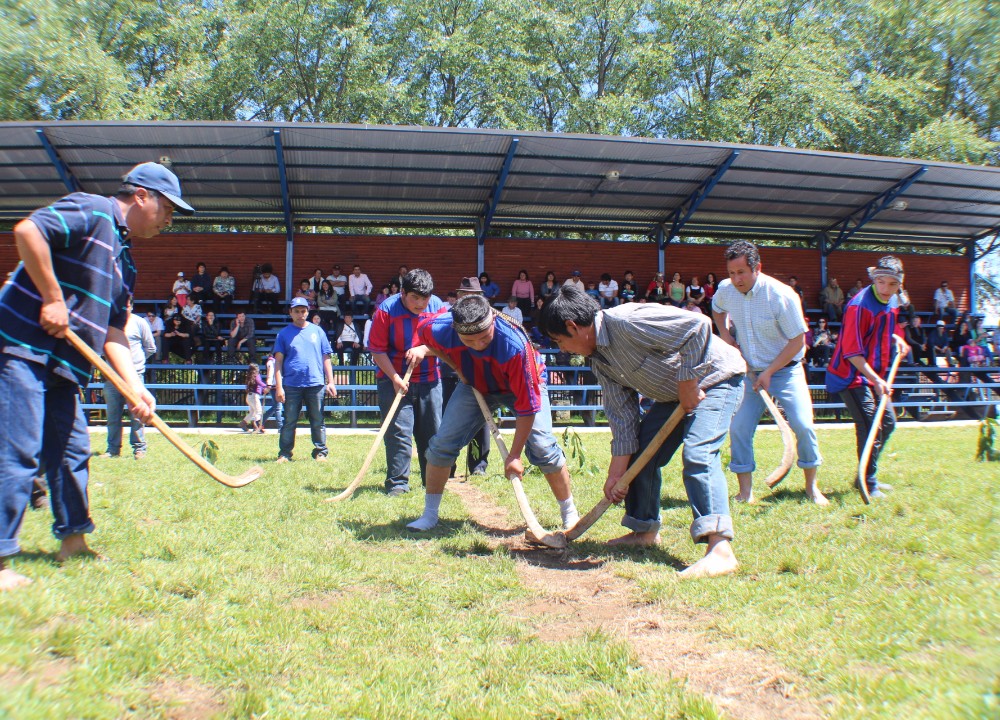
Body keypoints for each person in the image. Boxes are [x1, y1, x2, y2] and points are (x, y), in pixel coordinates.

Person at [0, 160, 191, 591]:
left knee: (70, 452)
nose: (169, 220)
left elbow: (113, 331)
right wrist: (51, 298)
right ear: (141, 195)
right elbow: (28, 231)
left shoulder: (125, 261)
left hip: (65, 366)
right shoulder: (93, 209)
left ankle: (74, 541)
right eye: (168, 209)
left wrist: (135, 388)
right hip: (22, 349)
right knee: (19, 451)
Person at [539, 287, 746, 578]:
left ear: (574, 327)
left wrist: (687, 383)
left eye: (560, 340)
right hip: (672, 395)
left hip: (715, 379)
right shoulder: (599, 360)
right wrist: (616, 474)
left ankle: (720, 549)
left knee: (699, 453)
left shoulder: (628, 320)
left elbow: (698, 326)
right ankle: (643, 530)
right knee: (641, 458)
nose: (562, 349)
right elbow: (623, 419)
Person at [405, 294, 578, 532]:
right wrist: (456, 367)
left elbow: (527, 408)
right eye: (469, 341)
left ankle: (569, 513)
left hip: (523, 385)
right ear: (457, 332)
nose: (478, 345)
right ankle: (430, 515)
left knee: (542, 447)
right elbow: (430, 342)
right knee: (441, 445)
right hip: (475, 385)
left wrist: (514, 456)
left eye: (484, 338)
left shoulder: (515, 346)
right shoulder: (437, 328)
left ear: (492, 323)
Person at [711, 240, 828, 505]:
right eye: (731, 273)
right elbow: (717, 309)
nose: (736, 279)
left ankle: (811, 488)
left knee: (803, 425)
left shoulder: (781, 295)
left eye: (741, 272)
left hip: (786, 371)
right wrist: (726, 334)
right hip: (749, 372)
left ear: (757, 268)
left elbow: (798, 341)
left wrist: (771, 371)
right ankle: (745, 492)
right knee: (739, 428)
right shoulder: (726, 290)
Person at [825, 256, 909, 500]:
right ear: (874, 279)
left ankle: (864, 474)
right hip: (851, 374)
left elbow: (884, 328)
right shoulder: (858, 306)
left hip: (873, 374)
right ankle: (867, 483)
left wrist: (897, 338)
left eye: (892, 284)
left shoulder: (891, 301)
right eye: (880, 282)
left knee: (889, 423)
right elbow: (852, 353)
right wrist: (876, 380)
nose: (885, 289)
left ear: (899, 285)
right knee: (871, 424)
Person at [368, 269, 445, 495]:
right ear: (402, 293)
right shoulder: (386, 310)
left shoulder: (438, 307)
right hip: (393, 379)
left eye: (425, 298)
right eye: (415, 298)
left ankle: (431, 482)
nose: (421, 304)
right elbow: (377, 350)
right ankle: (398, 484)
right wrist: (394, 378)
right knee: (398, 433)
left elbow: (446, 344)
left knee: (432, 433)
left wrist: (424, 349)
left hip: (430, 380)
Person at [274, 297, 337, 462]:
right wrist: (279, 387)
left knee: (317, 420)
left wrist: (330, 381)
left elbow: (326, 358)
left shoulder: (318, 331)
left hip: (315, 383)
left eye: (303, 311)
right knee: (289, 421)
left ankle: (321, 452)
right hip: (291, 384)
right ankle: (285, 453)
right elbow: (278, 362)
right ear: (290, 312)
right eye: (296, 311)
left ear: (308, 312)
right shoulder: (283, 334)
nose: (300, 314)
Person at [102, 298, 157, 460]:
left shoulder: (140, 323)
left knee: (137, 416)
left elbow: (150, 347)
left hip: (135, 377)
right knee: (112, 415)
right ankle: (113, 449)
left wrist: (136, 365)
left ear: (131, 306)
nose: (124, 308)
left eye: (127, 305)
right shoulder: (108, 323)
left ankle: (139, 449)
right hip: (112, 378)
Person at [241, 363, 267, 433]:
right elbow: (259, 382)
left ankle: (243, 423)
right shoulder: (257, 375)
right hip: (254, 396)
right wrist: (266, 386)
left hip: (249, 396)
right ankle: (258, 426)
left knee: (252, 412)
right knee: (259, 411)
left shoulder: (249, 376)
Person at [261, 352, 283, 429]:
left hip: (276, 386)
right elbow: (270, 374)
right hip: (274, 386)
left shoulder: (273, 361)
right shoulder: (271, 362)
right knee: (278, 408)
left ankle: (261, 421)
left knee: (275, 407)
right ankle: (280, 427)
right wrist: (269, 385)